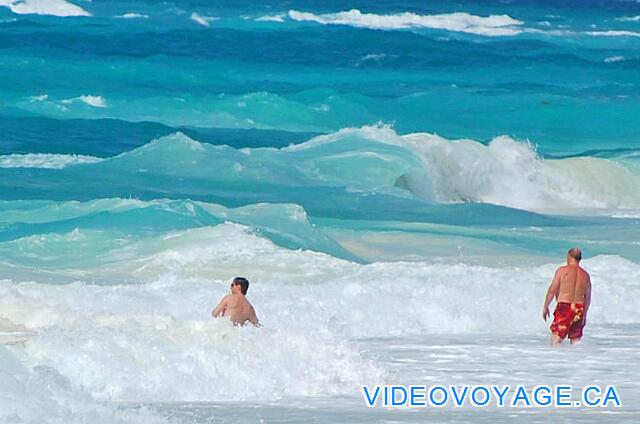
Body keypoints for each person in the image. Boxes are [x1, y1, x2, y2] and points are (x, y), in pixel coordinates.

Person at [542, 248, 591, 346]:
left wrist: (545, 306)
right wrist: (584, 314)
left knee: (556, 340)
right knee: (576, 341)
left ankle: (556, 360)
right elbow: (588, 297)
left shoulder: (562, 271)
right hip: (579, 308)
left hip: (564, 307)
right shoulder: (585, 275)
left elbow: (552, 289)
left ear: (569, 257)